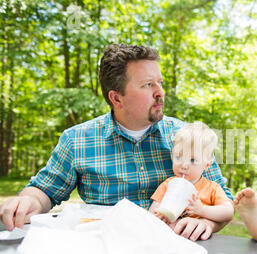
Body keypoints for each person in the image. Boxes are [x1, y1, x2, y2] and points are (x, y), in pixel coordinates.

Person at [0, 44, 233, 241]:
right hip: (107, 250)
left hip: (176, 249)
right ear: (116, 98)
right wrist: (27, 201)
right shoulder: (77, 140)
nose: (160, 92)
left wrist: (207, 223)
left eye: (160, 83)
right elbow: (44, 191)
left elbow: (224, 201)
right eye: (147, 85)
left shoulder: (186, 136)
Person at [149, 122, 234, 224]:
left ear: (207, 165)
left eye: (193, 160)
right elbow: (152, 212)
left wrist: (203, 210)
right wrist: (160, 214)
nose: (184, 165)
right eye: (178, 157)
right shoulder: (168, 185)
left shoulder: (212, 188)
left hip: (198, 238)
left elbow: (228, 212)